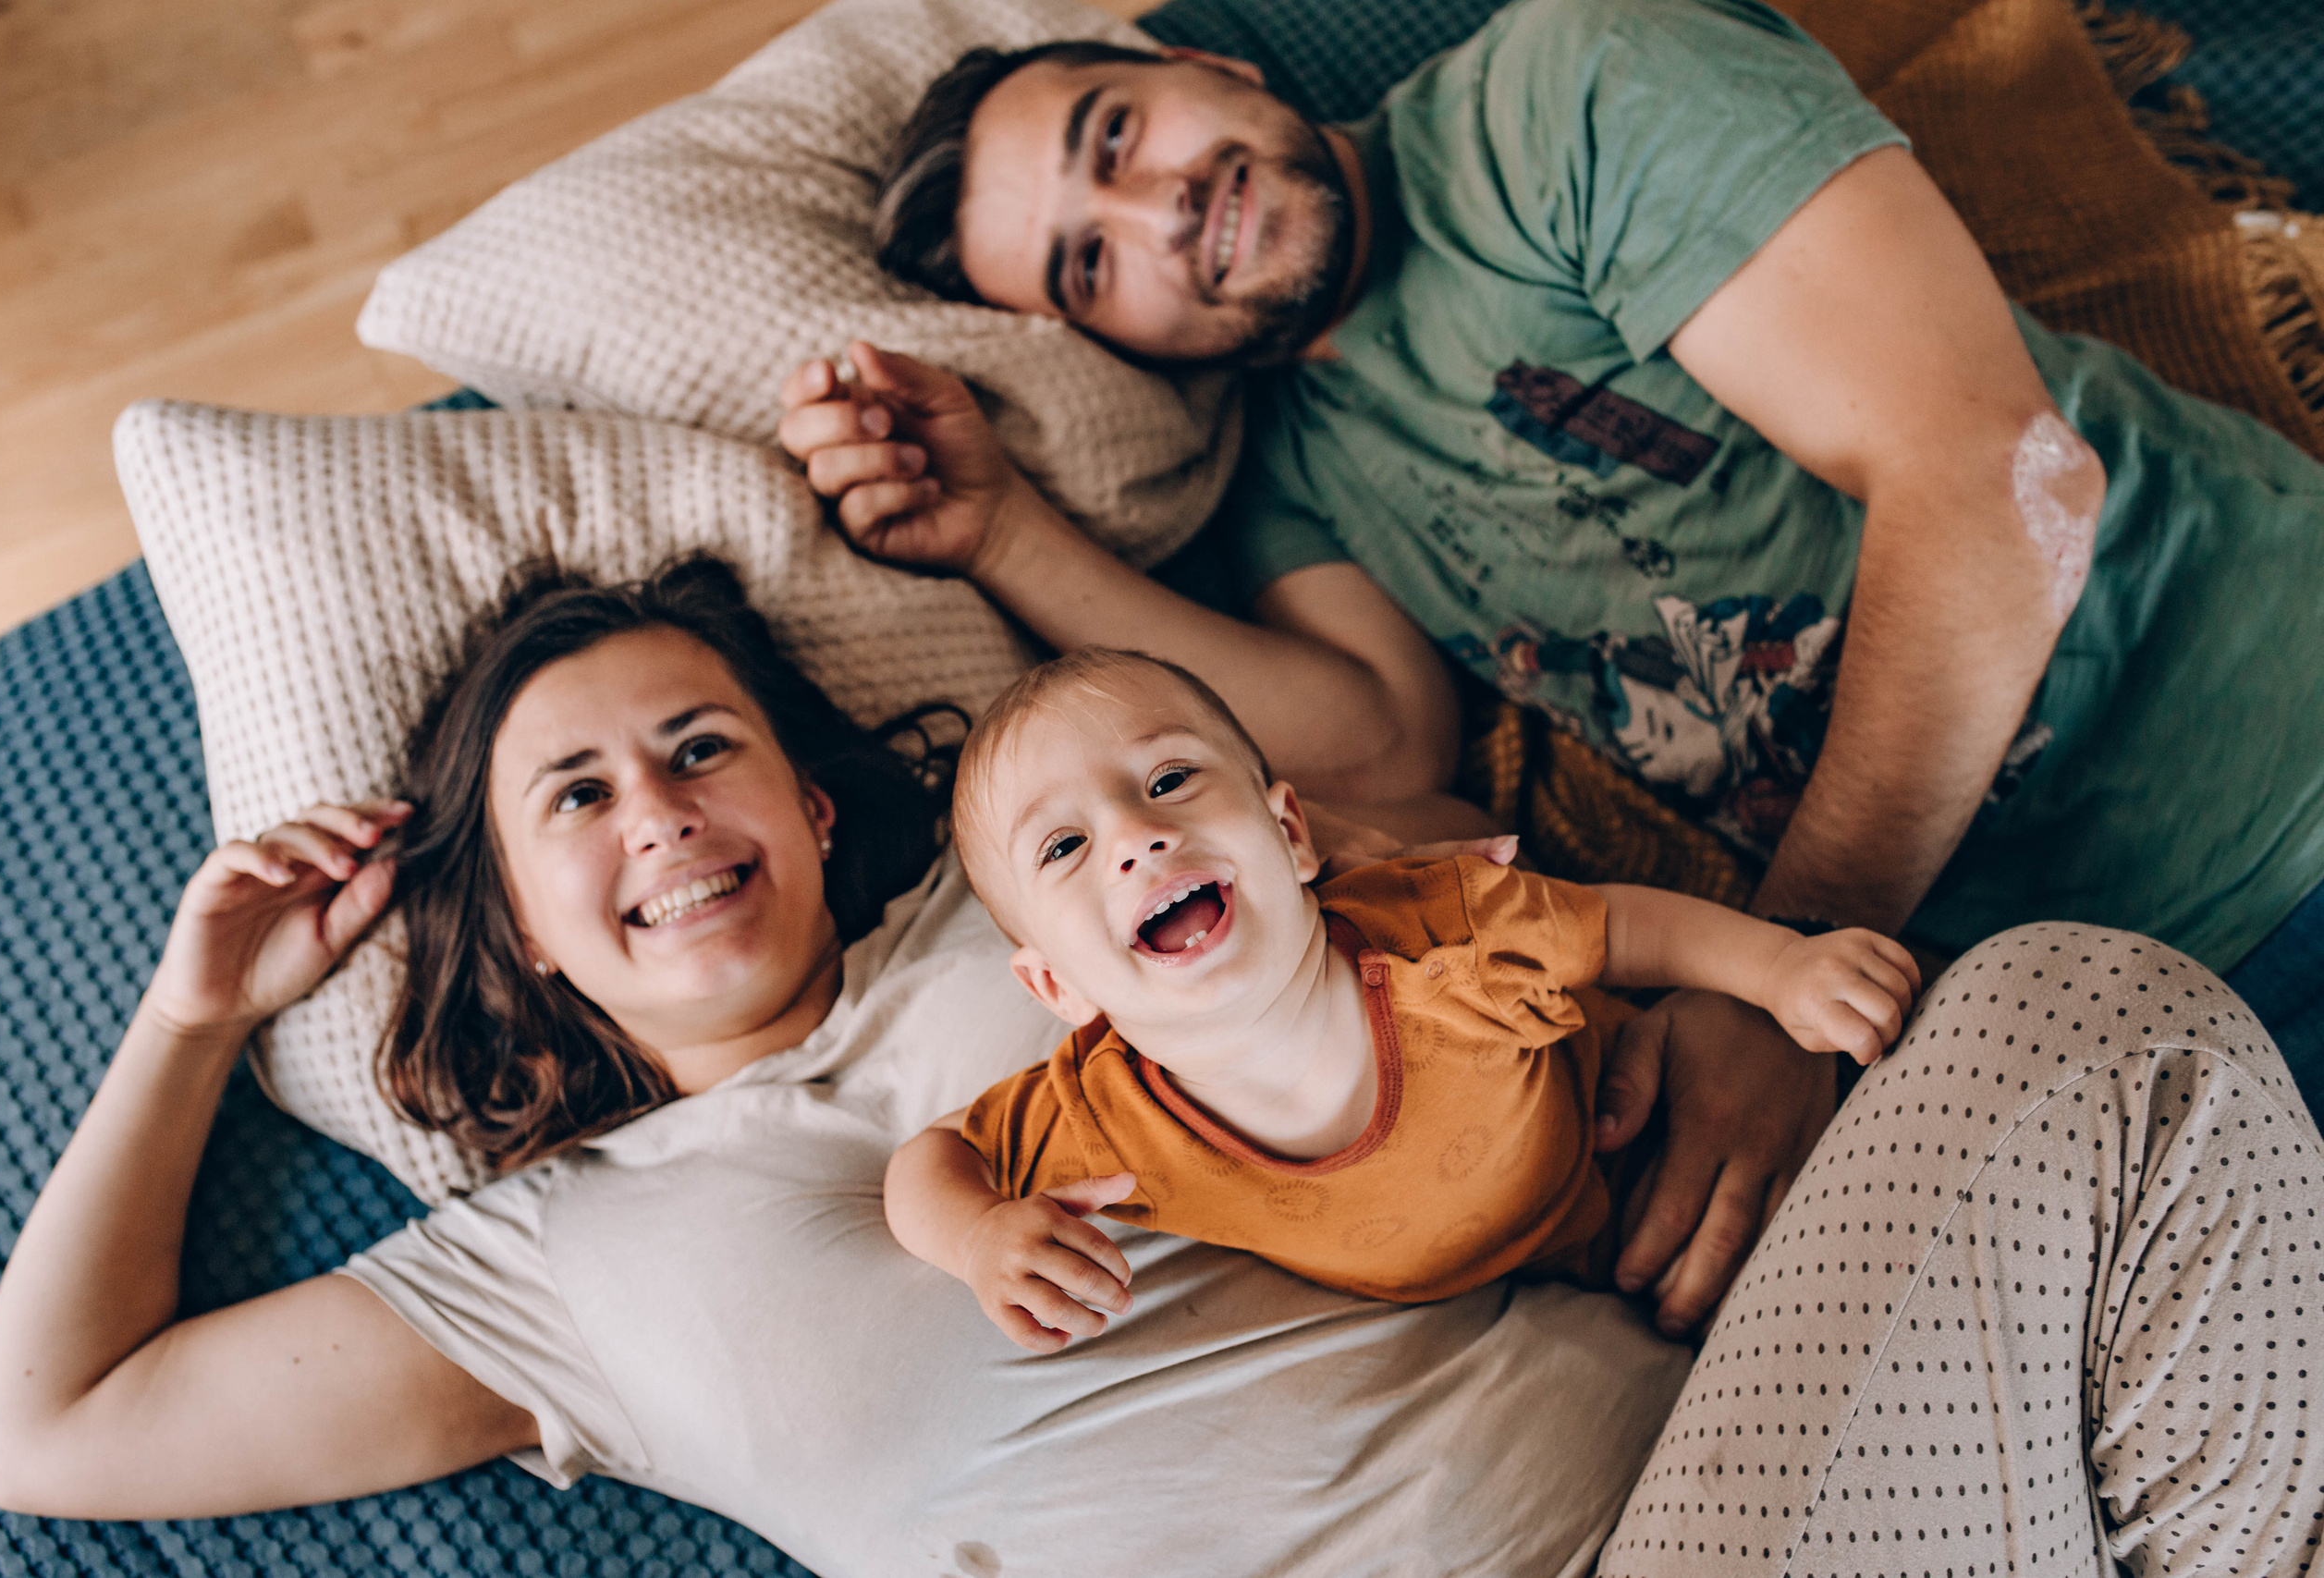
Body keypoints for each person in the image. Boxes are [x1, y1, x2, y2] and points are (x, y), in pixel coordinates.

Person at [0, 554, 1847, 1573]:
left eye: (702, 746)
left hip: (1716, 1466)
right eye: (580, 797)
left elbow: (1452, 860)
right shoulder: (550, 1266)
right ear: (522, 917)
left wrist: (1728, 1022)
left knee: (2050, 1000)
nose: (664, 815)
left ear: (800, 788)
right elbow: (38, 1436)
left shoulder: (1054, 866)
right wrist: (190, 1014)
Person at [779, 0, 2324, 1099]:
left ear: (1200, 57)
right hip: (2073, 1023)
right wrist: (1001, 531)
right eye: (1088, 262)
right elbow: (1378, 740)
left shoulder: (1571, 83)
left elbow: (1997, 486)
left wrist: (1763, 987)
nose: (1160, 212)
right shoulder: (1280, 470)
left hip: (2283, 782)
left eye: (1115, 135)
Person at [887, 648, 1919, 1347]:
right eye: (1064, 846)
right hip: (1609, 1303)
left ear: (1291, 835)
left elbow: (1620, 927)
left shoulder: (1431, 927)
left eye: (1168, 781)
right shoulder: (1103, 1117)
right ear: (1053, 984)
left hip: (1659, 1134)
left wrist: (1779, 969)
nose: (1133, 836)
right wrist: (977, 1238)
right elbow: (929, 1165)